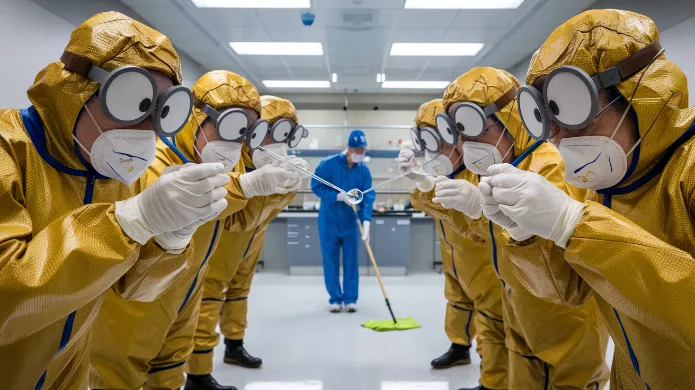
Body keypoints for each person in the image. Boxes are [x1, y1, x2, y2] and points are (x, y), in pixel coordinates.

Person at [0, 12, 233, 390]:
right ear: (76, 88)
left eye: (160, 112)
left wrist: (169, 240)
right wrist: (128, 222)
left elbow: (136, 290)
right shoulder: (8, 152)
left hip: (68, 376)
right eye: (131, 102)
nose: (147, 131)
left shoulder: (118, 173)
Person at [481, 10, 695, 388]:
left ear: (640, 93)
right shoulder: (598, 185)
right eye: (550, 122)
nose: (560, 140)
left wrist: (576, 226)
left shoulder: (688, 169)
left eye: (580, 114)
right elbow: (569, 290)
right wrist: (524, 234)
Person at [89, 72, 301, 390]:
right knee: (122, 370)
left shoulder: (219, 165)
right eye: (229, 127)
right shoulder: (157, 162)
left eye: (244, 133)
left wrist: (277, 189)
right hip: (142, 292)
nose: (234, 145)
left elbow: (237, 222)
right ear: (195, 116)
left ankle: (198, 376)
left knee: (171, 362)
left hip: (188, 283)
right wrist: (245, 185)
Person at [424, 67, 609, 389]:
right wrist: (474, 210)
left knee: (571, 379)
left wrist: (483, 209)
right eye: (460, 134)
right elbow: (488, 238)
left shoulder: (551, 164)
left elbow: (572, 251)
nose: (467, 144)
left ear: (509, 118)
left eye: (475, 130)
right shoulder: (505, 168)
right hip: (518, 301)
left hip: (562, 312)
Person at [186, 95, 308, 381]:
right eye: (269, 132)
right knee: (211, 294)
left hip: (253, 238)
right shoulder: (229, 160)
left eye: (284, 134)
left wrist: (287, 186)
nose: (274, 144)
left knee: (240, 290)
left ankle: (234, 344)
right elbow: (233, 212)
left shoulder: (268, 163)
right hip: (224, 237)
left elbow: (268, 211)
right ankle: (199, 371)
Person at [400, 99, 508, 388]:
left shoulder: (480, 171)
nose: (437, 153)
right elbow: (427, 203)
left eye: (440, 142)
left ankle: (493, 379)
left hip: (483, 259)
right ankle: (459, 347)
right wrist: (421, 181)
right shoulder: (443, 174)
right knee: (457, 299)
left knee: (490, 314)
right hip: (453, 255)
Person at [311, 130, 376, 312]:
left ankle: (350, 299)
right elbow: (315, 185)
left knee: (351, 261)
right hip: (329, 221)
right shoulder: (328, 164)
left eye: (362, 150)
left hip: (350, 222)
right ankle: (335, 299)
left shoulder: (363, 170)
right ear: (349, 148)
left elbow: (368, 196)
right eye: (357, 149)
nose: (360, 153)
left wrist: (367, 222)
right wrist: (338, 196)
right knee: (330, 260)